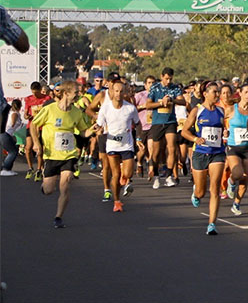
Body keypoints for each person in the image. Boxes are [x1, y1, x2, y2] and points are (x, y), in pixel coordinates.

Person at [29, 80, 93, 228]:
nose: (78, 95)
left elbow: (83, 131)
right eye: (76, 92)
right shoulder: (50, 109)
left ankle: (58, 217)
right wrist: (36, 143)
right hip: (51, 155)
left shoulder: (76, 112)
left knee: (65, 185)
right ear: (66, 93)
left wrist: (93, 130)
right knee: (49, 190)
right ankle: (45, 188)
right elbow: (34, 125)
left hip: (68, 155)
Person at [181, 81, 227, 235]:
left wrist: (225, 134)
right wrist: (195, 139)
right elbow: (184, 131)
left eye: (218, 92)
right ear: (205, 94)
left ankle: (212, 223)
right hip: (200, 152)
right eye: (214, 92)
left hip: (217, 153)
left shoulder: (221, 111)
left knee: (215, 188)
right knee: (202, 192)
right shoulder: (197, 111)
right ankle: (196, 193)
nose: (217, 95)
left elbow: (224, 130)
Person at [95, 78, 141, 212]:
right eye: (116, 91)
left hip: (126, 144)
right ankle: (117, 201)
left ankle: (124, 178)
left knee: (128, 173)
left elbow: (138, 124)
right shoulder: (105, 108)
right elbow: (99, 124)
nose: (118, 94)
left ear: (125, 92)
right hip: (112, 145)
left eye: (121, 91)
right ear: (112, 92)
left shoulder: (130, 108)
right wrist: (96, 128)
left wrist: (138, 138)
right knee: (115, 174)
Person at [143, 67, 186, 189]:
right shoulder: (155, 88)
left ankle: (168, 175)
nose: (168, 81)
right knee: (156, 151)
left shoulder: (175, 88)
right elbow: (148, 105)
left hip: (170, 122)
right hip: (157, 122)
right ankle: (156, 175)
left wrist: (172, 100)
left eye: (170, 79)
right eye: (166, 78)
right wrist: (161, 103)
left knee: (172, 148)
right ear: (162, 76)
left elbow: (183, 102)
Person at [224, 83, 248, 216]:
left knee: (245, 179)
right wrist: (224, 131)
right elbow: (220, 120)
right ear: (240, 93)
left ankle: (236, 203)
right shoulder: (232, 109)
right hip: (233, 147)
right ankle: (231, 182)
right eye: (246, 92)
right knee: (237, 173)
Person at [23, 81, 51, 180]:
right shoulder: (28, 99)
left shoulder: (46, 98)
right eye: (33, 92)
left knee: (40, 149)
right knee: (28, 148)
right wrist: (27, 116)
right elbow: (25, 114)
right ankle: (30, 168)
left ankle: (39, 169)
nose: (34, 95)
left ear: (40, 90)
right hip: (31, 126)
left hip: (42, 127)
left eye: (36, 93)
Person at [1, 99, 25, 175]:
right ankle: (5, 169)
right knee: (13, 152)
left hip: (7, 134)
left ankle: (7, 168)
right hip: (6, 134)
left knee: (13, 150)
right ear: (20, 106)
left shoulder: (12, 112)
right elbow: (12, 124)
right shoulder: (14, 114)